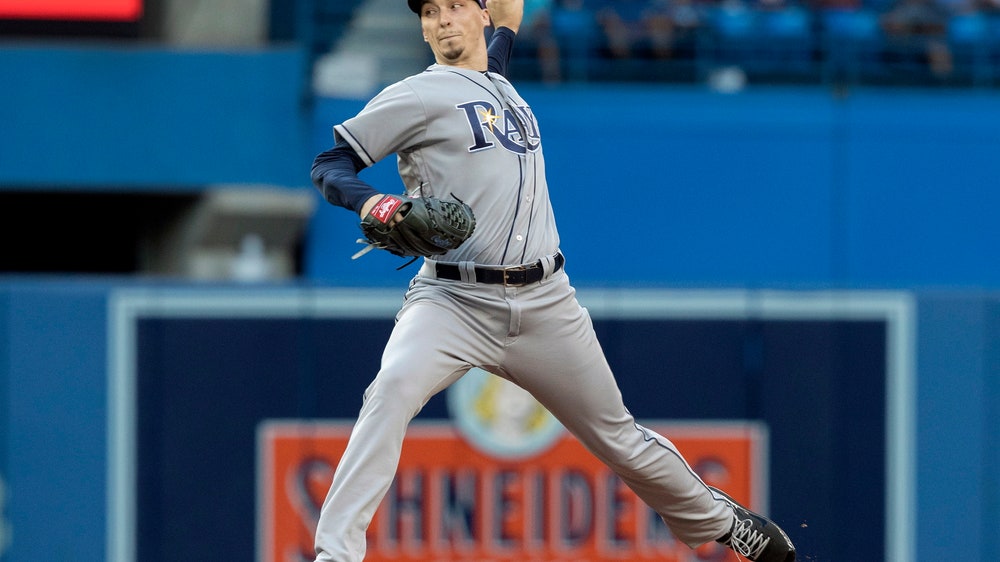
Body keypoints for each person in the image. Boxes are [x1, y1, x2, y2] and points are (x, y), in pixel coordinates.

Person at [308, 0, 798, 561]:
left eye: (455, 6)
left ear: (480, 14)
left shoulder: (498, 83)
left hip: (545, 302)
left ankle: (727, 523)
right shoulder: (417, 94)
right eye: (430, 12)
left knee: (620, 438)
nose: (442, 19)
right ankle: (336, 554)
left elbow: (493, 54)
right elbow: (330, 162)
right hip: (453, 299)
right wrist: (375, 204)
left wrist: (506, 28)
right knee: (390, 391)